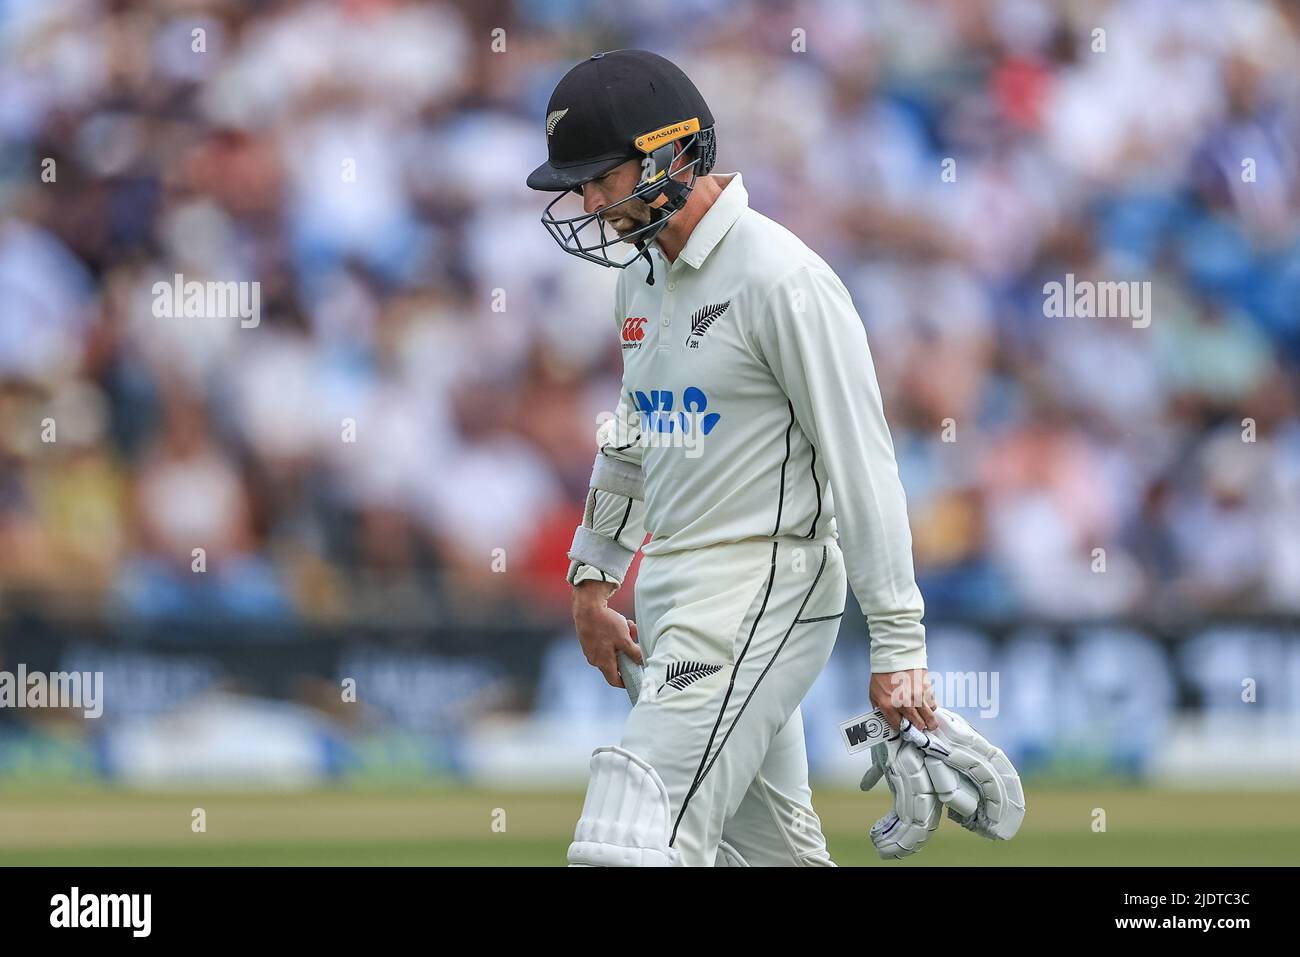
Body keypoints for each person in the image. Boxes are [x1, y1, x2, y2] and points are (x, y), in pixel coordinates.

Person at [527, 49, 937, 867]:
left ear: (672, 152)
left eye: (602, 176)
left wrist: (899, 645)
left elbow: (863, 465)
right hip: (680, 591)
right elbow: (638, 436)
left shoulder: (782, 279)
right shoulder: (639, 283)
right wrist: (593, 573)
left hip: (766, 585)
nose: (588, 201)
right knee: (774, 857)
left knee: (624, 840)